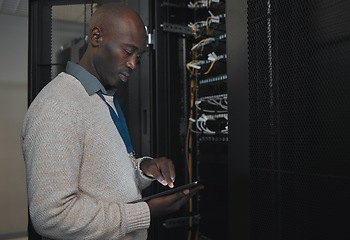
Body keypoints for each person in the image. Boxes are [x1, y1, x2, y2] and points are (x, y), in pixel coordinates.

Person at [21, 3, 203, 240]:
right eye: (127, 52)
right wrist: (145, 212)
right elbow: (51, 217)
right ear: (97, 36)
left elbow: (101, 178)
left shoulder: (101, 97)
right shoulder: (58, 107)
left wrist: (144, 169)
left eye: (138, 56)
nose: (133, 64)